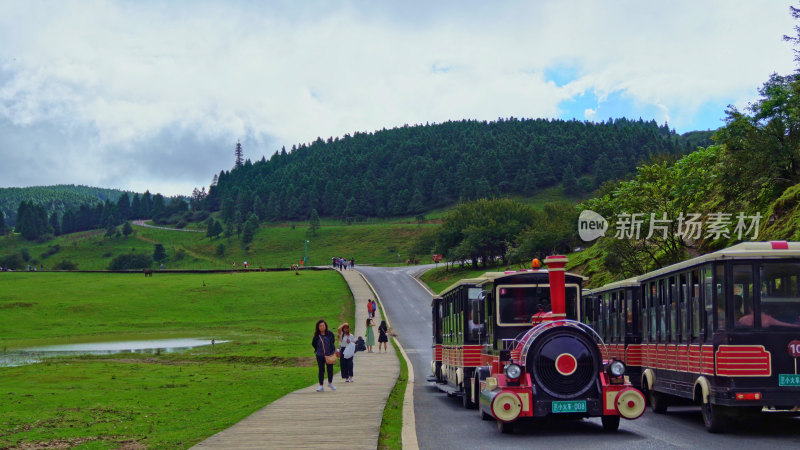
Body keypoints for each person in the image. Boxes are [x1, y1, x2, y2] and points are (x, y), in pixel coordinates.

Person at [311, 319, 337, 391]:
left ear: (325, 326)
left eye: (323, 325)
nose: (322, 327)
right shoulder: (316, 336)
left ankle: (330, 383)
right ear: (318, 327)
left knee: (330, 369)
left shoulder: (330, 334)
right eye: (320, 326)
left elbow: (332, 342)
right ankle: (321, 385)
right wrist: (318, 350)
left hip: (329, 355)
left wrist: (331, 350)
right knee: (321, 369)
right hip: (320, 355)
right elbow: (313, 344)